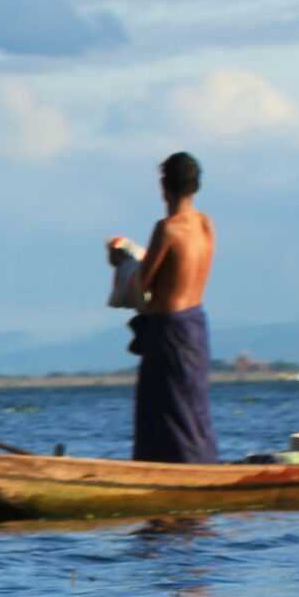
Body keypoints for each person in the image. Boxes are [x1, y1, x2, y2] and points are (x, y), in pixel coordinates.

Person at [107, 151, 218, 463]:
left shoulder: (167, 229)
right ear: (195, 187)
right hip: (195, 325)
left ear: (164, 187)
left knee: (162, 407)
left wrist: (122, 263)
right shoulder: (206, 225)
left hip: (169, 329)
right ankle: (200, 462)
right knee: (191, 404)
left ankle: (167, 469)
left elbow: (144, 284)